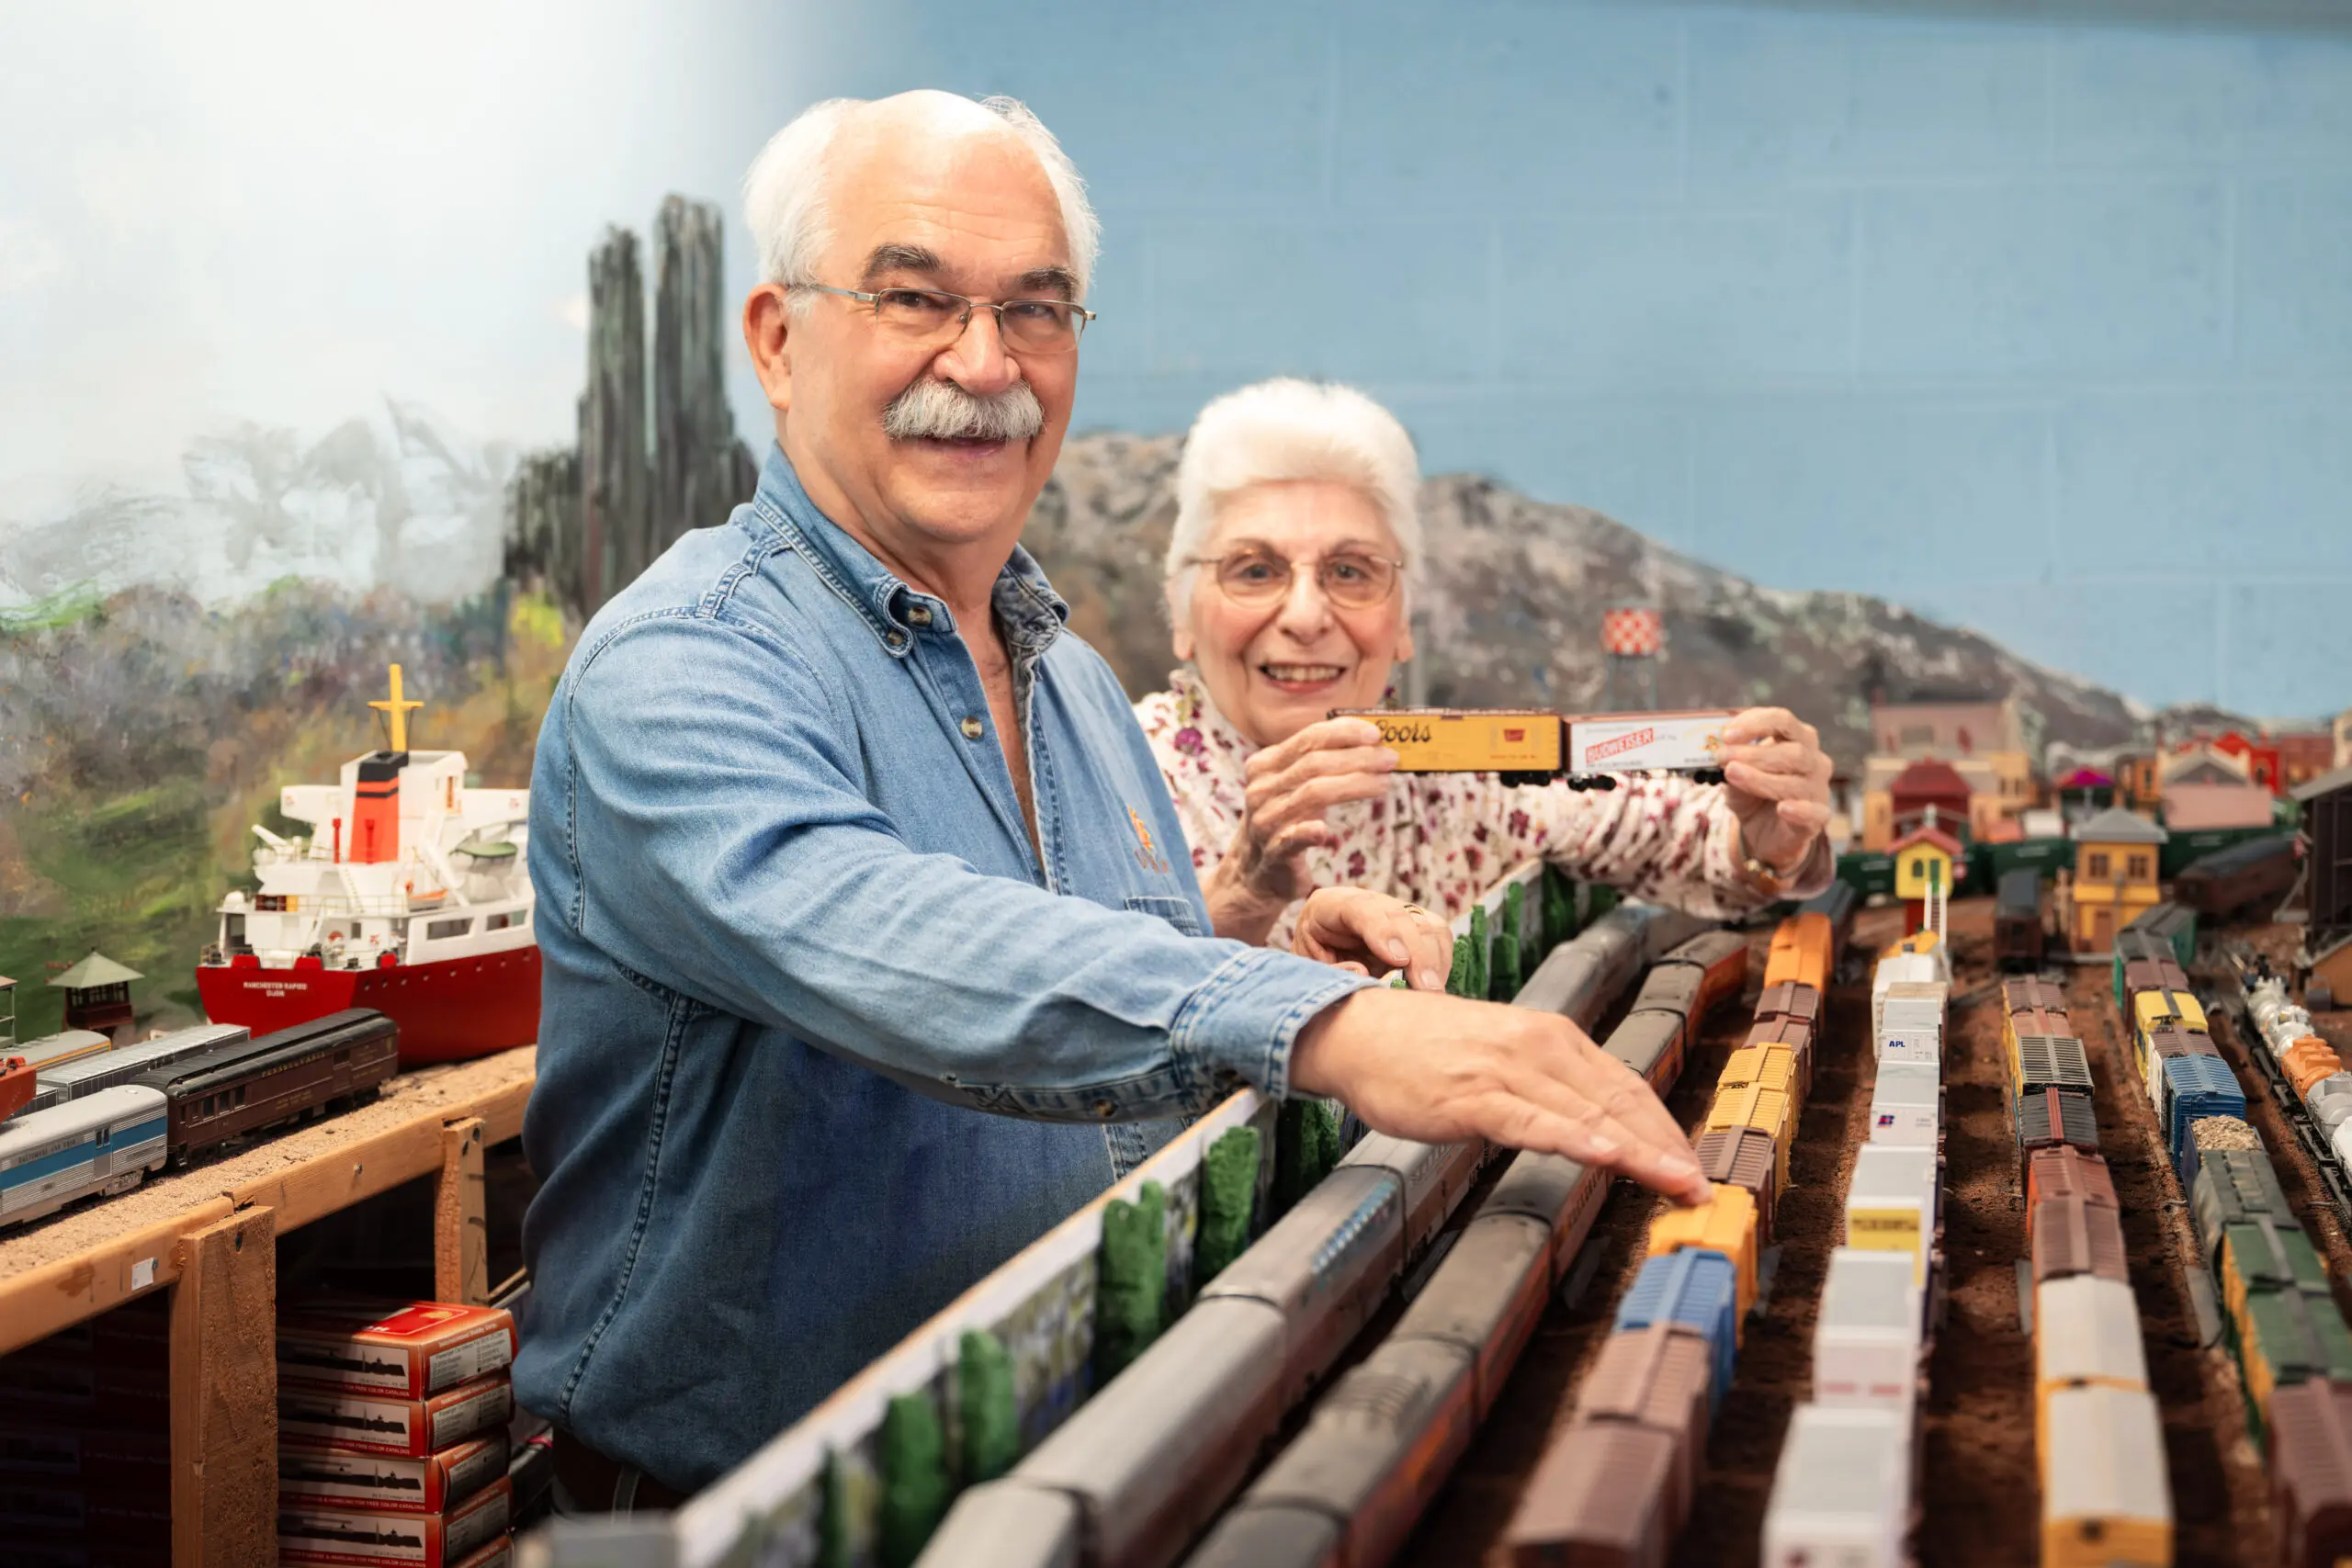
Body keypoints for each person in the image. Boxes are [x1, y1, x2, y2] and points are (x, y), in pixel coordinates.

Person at [515, 92, 1709, 1506]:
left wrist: (1254, 942)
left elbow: (1075, 984)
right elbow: (885, 940)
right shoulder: (683, 661)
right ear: (779, 340)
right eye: (915, 297)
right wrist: (1322, 1025)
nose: (984, 362)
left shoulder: (1071, 677)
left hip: (1071, 1468)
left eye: (1036, 310)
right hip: (729, 1518)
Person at [1136, 378, 1838, 947]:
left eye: (1352, 571)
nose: (1307, 615)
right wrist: (1241, 897)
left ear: (1402, 623)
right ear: (1181, 613)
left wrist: (1772, 836)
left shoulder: (1457, 774)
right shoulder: (1105, 777)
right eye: (1255, 570)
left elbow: (1693, 838)